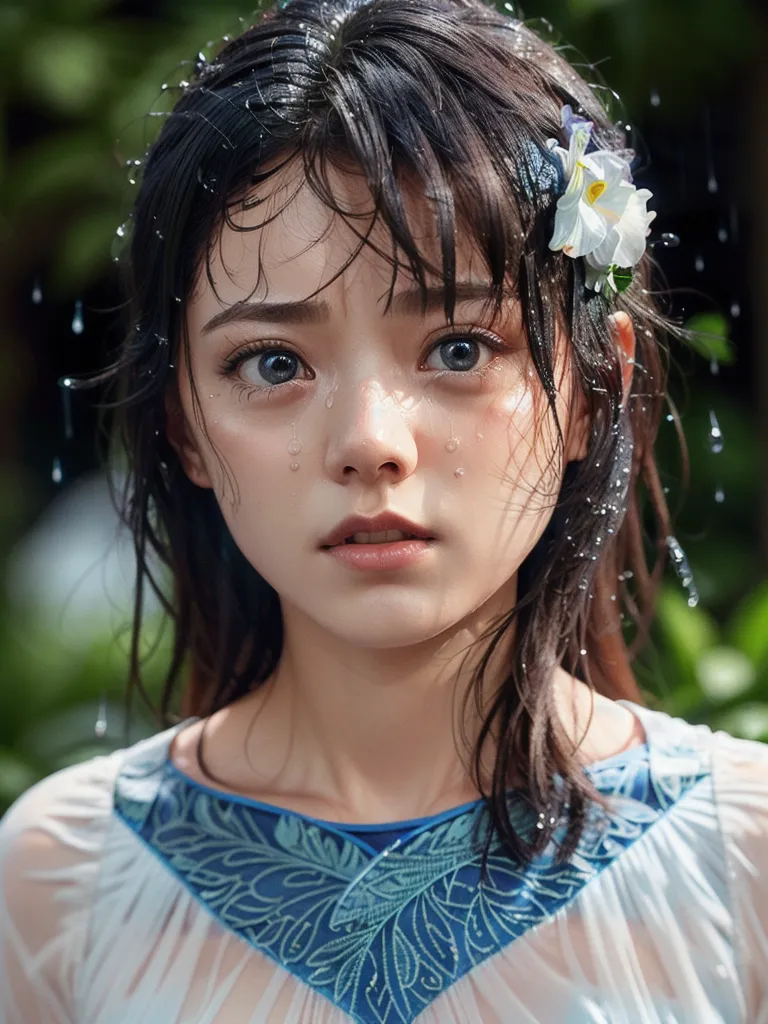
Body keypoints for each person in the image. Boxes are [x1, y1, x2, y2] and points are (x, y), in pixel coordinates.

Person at [1, 0, 766, 1020]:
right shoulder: (61, 885)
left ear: (592, 387)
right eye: (272, 362)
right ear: (183, 419)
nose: (368, 441)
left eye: (458, 348)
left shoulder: (744, 858)